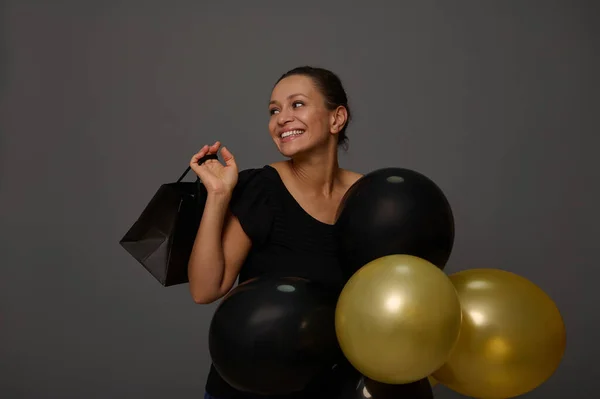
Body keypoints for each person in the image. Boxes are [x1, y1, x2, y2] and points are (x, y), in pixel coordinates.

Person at [187, 66, 363, 399]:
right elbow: (205, 289)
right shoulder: (262, 189)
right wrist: (219, 196)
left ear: (336, 119)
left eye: (297, 104)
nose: (281, 118)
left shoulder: (367, 198)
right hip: (248, 389)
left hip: (330, 388)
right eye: (274, 110)